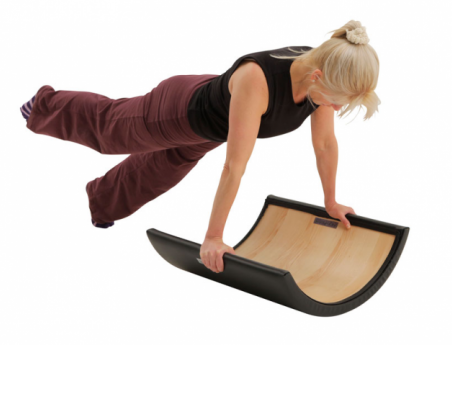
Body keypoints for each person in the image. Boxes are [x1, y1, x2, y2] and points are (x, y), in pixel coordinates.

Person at [20, 20, 380, 273]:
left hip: (210, 129)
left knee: (159, 172)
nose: (335, 109)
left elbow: (325, 144)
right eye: (337, 102)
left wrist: (331, 202)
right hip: (177, 111)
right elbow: (235, 167)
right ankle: (43, 105)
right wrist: (213, 238)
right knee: (109, 130)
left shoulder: (322, 70)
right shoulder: (258, 80)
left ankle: (101, 202)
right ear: (318, 77)